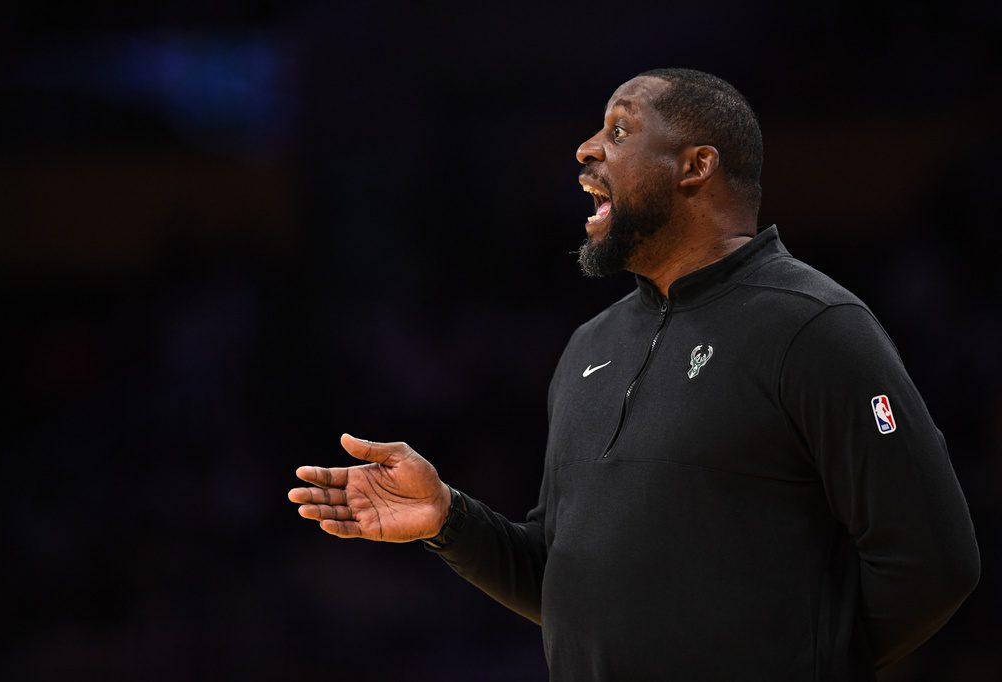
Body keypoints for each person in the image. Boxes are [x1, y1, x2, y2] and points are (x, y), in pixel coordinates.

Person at [287, 68, 980, 681]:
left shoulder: (814, 325)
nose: (587, 149)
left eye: (618, 130)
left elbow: (934, 563)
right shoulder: (591, 344)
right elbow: (563, 582)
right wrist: (448, 519)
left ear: (695, 165)